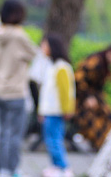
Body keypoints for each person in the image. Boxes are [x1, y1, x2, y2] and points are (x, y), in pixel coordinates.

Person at [0, 0, 38, 177]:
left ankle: (2, 169)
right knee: (15, 134)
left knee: (3, 132)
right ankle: (12, 169)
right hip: (16, 91)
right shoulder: (19, 36)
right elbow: (35, 54)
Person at [73, 44, 111, 151]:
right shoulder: (95, 61)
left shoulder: (104, 64)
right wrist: (87, 97)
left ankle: (107, 144)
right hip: (80, 100)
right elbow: (79, 78)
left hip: (94, 99)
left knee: (109, 116)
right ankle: (99, 144)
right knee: (94, 118)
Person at [39, 34, 75, 177]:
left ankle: (64, 168)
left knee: (54, 140)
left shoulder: (61, 67)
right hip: (49, 111)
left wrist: (67, 109)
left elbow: (65, 91)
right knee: (50, 139)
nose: (42, 48)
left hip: (56, 111)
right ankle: (55, 166)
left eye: (44, 45)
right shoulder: (52, 66)